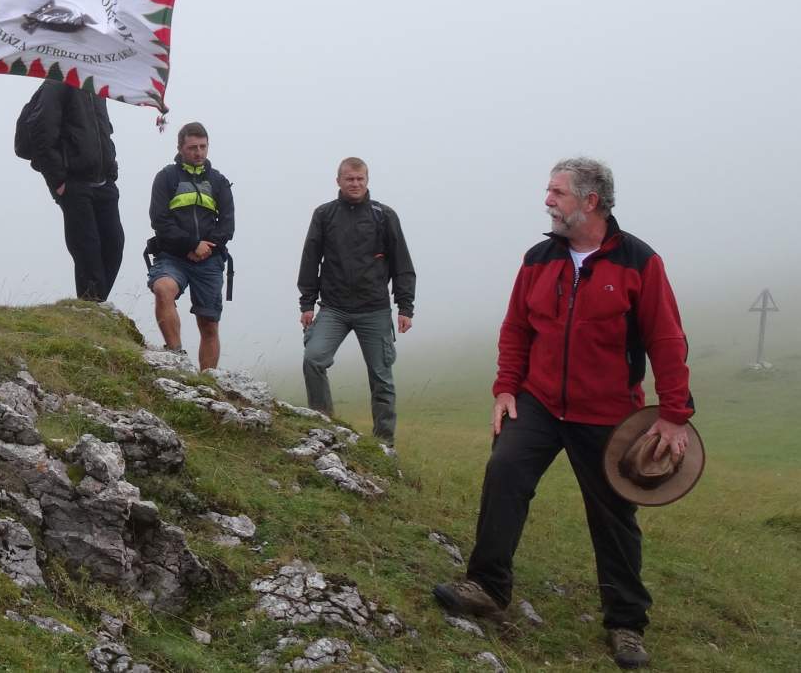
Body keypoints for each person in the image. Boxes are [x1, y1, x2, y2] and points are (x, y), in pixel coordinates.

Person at [435, 158, 695, 670]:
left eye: (556, 192)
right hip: (538, 402)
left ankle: (625, 624)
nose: (547, 201)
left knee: (613, 514)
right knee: (505, 471)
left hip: (609, 414)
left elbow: (667, 339)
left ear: (590, 201)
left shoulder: (640, 262)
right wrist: (506, 388)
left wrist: (673, 414)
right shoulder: (538, 259)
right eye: (548, 191)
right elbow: (516, 328)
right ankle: (487, 587)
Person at [296, 157, 416, 445]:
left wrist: (405, 307)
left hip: (374, 309)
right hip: (333, 308)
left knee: (382, 378)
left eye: (360, 179)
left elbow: (403, 263)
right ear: (338, 181)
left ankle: (384, 443)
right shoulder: (324, 215)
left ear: (367, 180)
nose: (355, 184)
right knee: (313, 360)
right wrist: (307, 304)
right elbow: (310, 259)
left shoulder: (384, 215)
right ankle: (324, 426)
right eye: (349, 179)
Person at [23, 78, 123, 302]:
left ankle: (93, 305)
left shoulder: (96, 85)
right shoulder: (57, 83)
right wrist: (57, 180)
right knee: (87, 250)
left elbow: (105, 130)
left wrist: (111, 171)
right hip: (74, 183)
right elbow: (41, 130)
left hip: (104, 182)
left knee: (114, 246)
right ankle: (92, 307)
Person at [146, 122, 233, 370]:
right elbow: (159, 220)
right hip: (172, 257)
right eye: (192, 147)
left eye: (203, 147)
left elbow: (227, 225)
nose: (199, 152)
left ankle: (209, 381)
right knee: (163, 289)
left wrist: (207, 248)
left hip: (210, 260)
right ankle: (176, 357)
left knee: (209, 324)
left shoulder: (219, 182)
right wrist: (192, 244)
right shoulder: (166, 178)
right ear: (180, 148)